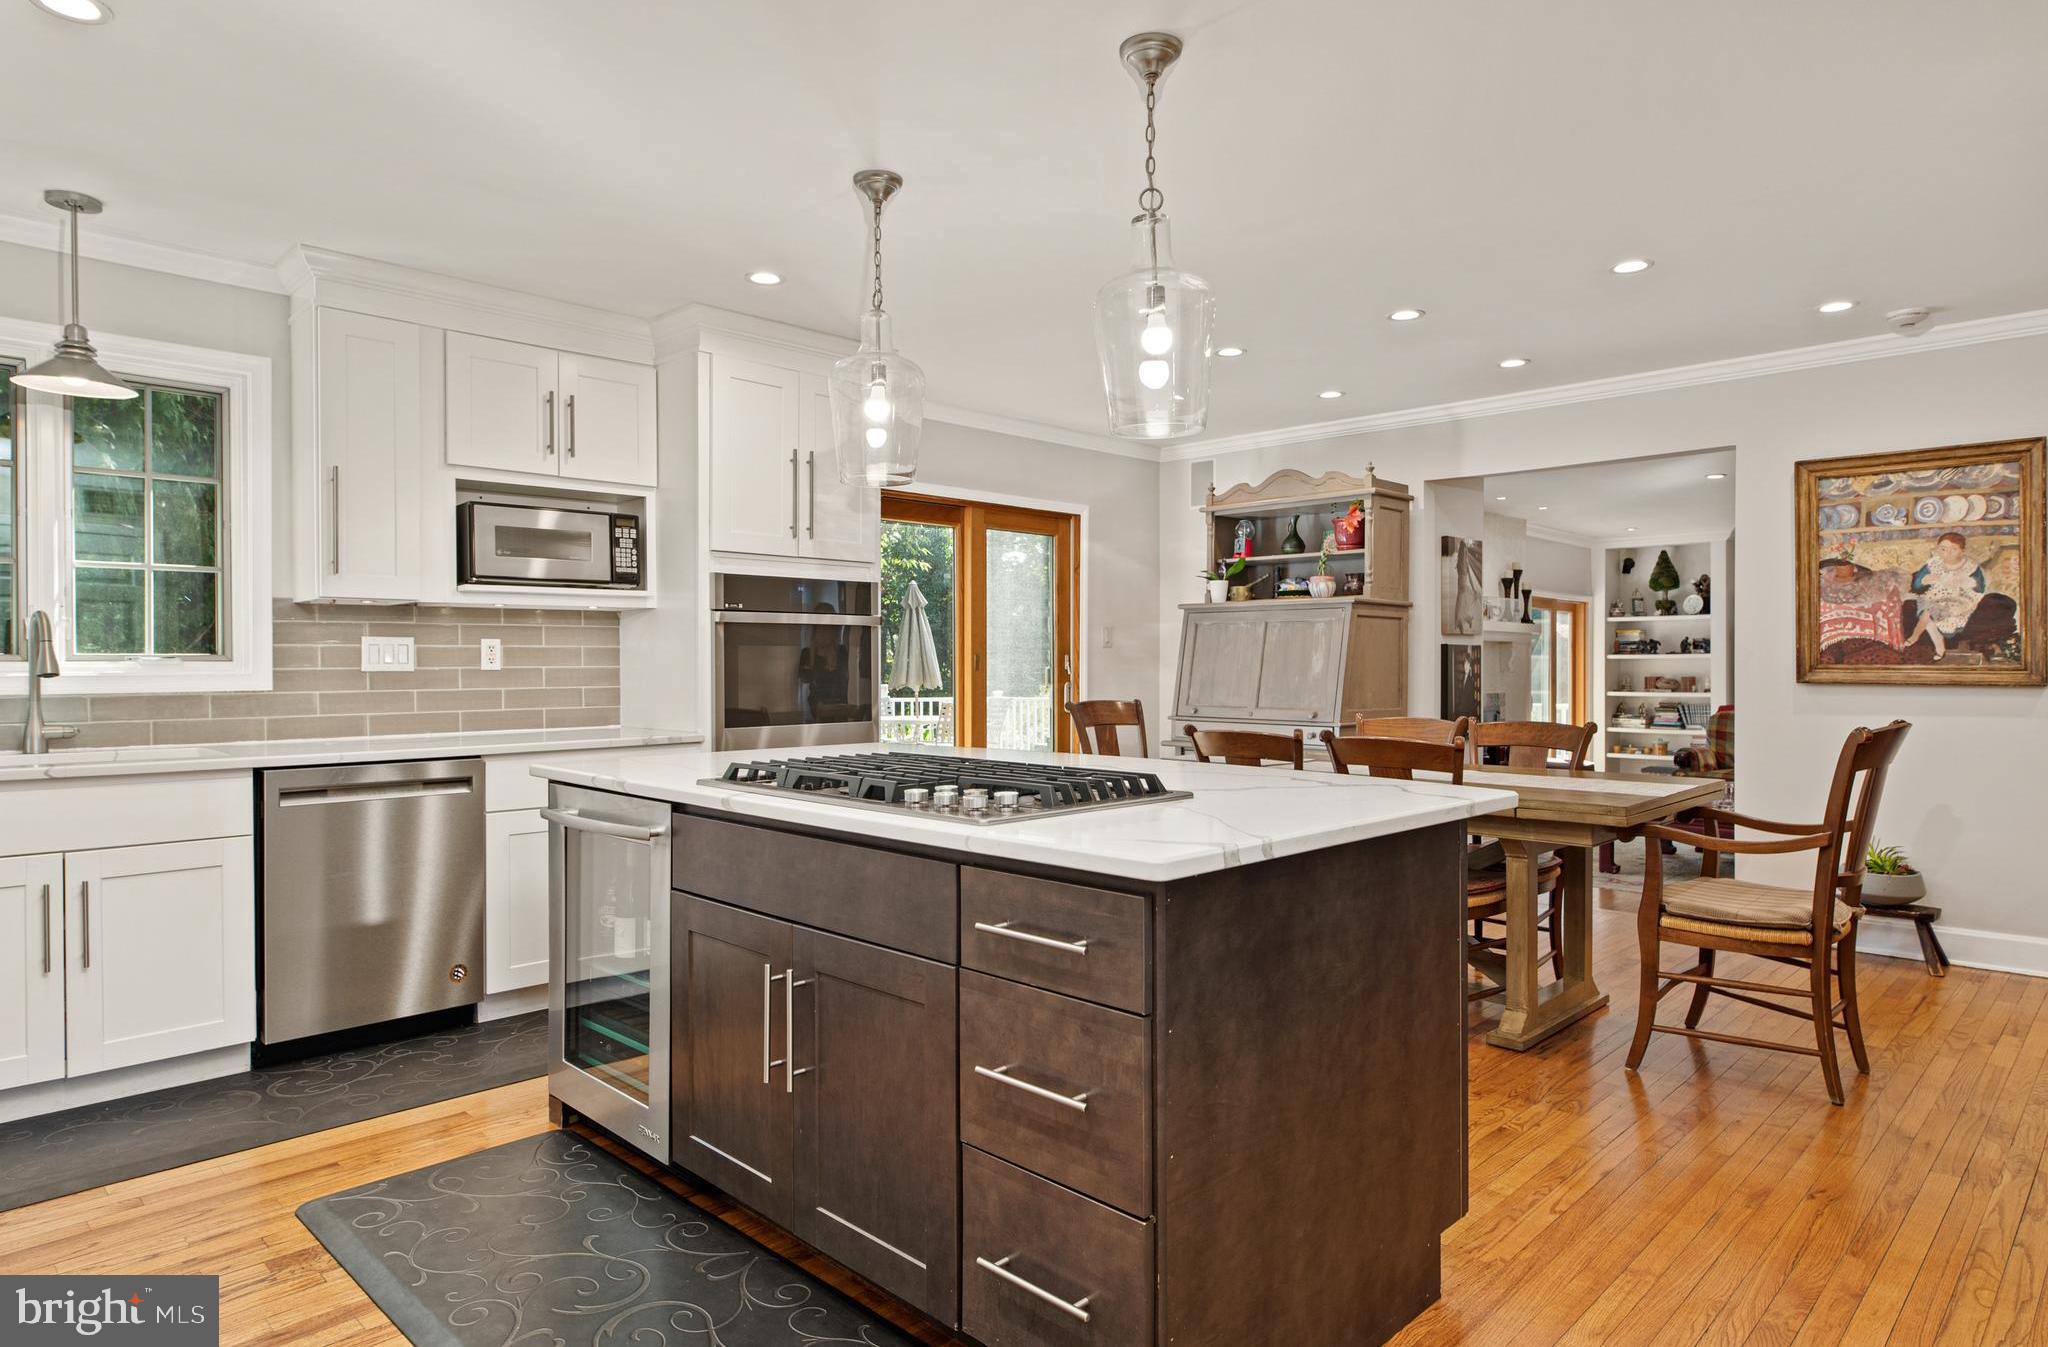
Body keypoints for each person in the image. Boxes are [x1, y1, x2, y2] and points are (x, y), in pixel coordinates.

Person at [1905, 532, 1987, 660]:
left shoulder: (1970, 566)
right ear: (1938, 549)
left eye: (1953, 549)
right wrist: (1925, 579)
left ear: (1962, 551)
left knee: (1929, 612)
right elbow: (1916, 584)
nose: (1947, 553)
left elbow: (1980, 588)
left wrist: (1965, 582)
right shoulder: (1933, 564)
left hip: (1961, 599)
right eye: (1943, 549)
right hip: (1936, 596)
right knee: (1928, 613)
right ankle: (1939, 647)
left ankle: (1916, 637)